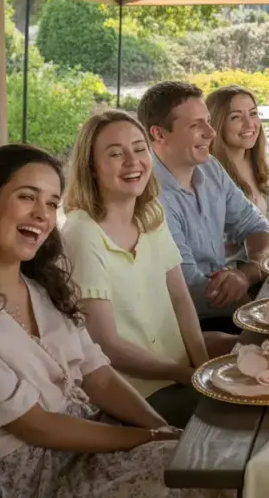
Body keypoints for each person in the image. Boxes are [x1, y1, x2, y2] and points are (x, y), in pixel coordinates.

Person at [0, 144, 213, 498]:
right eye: (28, 197)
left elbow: (98, 375)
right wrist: (144, 438)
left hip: (86, 440)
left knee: (207, 464)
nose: (42, 215)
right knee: (199, 483)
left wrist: (161, 430)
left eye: (52, 203)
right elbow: (38, 427)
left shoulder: (39, 286)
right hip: (36, 480)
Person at [62, 110, 234, 429]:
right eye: (115, 154)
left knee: (262, 358)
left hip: (179, 372)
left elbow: (181, 299)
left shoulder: (150, 213)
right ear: (91, 168)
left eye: (139, 149)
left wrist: (201, 366)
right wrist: (187, 376)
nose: (132, 161)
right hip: (136, 394)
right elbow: (107, 345)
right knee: (247, 412)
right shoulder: (81, 234)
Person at [137, 81, 269, 333]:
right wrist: (260, 312)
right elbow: (191, 289)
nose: (210, 132)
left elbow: (255, 225)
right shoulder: (150, 195)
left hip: (230, 301)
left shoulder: (209, 166)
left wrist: (248, 274)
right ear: (158, 134)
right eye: (195, 125)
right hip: (187, 325)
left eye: (208, 121)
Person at [205, 86, 269, 237]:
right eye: (236, 117)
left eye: (253, 113)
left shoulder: (257, 161)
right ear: (217, 123)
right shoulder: (209, 174)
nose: (250, 124)